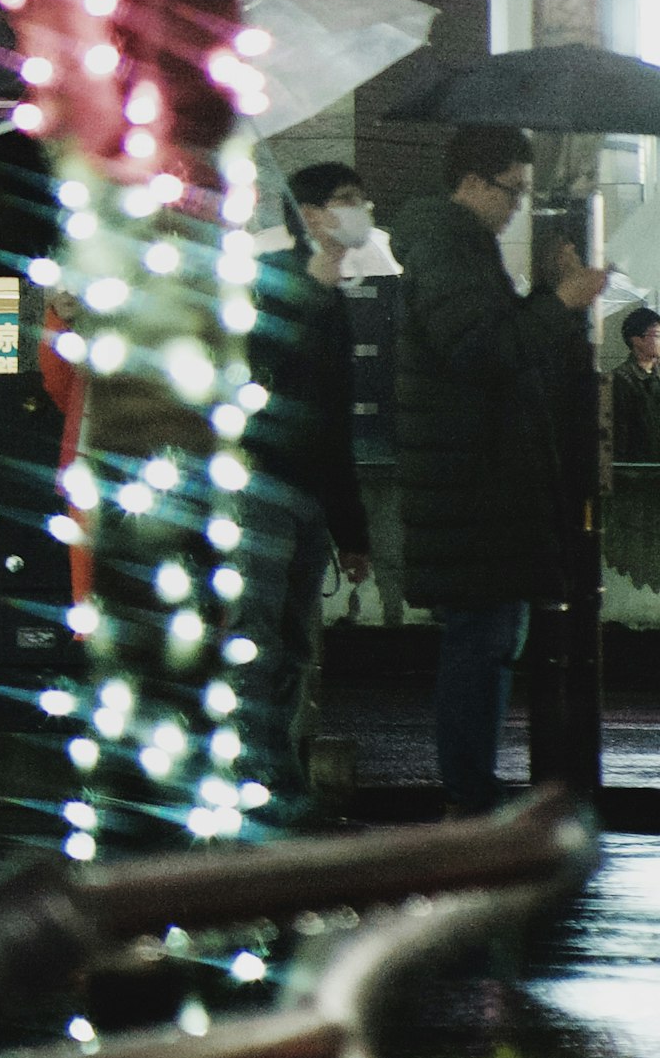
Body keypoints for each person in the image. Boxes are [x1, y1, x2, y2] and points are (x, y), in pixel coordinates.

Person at [387, 126, 604, 815]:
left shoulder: (457, 246)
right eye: (512, 191)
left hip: (475, 485)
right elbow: (484, 349)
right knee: (480, 645)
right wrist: (561, 302)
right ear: (476, 182)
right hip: (473, 488)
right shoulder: (449, 244)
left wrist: (547, 294)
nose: (515, 207)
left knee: (485, 642)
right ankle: (471, 795)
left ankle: (474, 789)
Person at [239, 162, 377, 806]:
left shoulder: (334, 295)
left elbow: (335, 420)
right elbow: (262, 372)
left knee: (291, 644)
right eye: (348, 200)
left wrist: (351, 531)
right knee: (259, 640)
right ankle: (254, 774)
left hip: (309, 497)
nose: (363, 210)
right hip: (260, 487)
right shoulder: (275, 281)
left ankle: (277, 769)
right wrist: (312, 294)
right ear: (314, 213)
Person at [614, 306, 660, 464]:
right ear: (636, 340)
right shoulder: (621, 380)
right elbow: (619, 436)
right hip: (640, 473)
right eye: (658, 335)